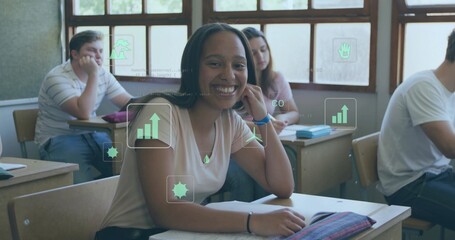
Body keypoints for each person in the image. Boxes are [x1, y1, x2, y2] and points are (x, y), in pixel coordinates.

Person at [96, 23, 304, 240]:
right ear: (192, 69)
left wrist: (262, 119)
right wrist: (252, 221)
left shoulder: (229, 121)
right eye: (215, 64)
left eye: (239, 66)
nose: (229, 75)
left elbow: (282, 186)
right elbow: (163, 210)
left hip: (180, 234)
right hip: (131, 235)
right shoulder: (160, 113)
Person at [377, 29, 455, 231]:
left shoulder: (449, 92)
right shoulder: (423, 87)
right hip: (408, 186)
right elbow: (450, 147)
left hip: (438, 174)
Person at [35, 30, 132, 183]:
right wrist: (93, 74)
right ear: (75, 54)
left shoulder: (103, 74)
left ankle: (104, 195)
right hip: (59, 139)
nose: (99, 56)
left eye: (101, 51)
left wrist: (156, 101)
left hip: (94, 135)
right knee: (81, 192)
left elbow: (127, 102)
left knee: (127, 172)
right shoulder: (57, 77)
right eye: (92, 51)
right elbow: (83, 112)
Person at [217, 27, 300, 202]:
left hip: (260, 137)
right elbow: (224, 121)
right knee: (246, 176)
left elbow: (293, 111)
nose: (261, 57)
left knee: (286, 160)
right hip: (235, 146)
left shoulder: (275, 79)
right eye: (253, 53)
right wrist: (261, 125)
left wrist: (280, 119)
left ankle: (271, 214)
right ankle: (252, 218)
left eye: (263, 50)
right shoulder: (233, 83)